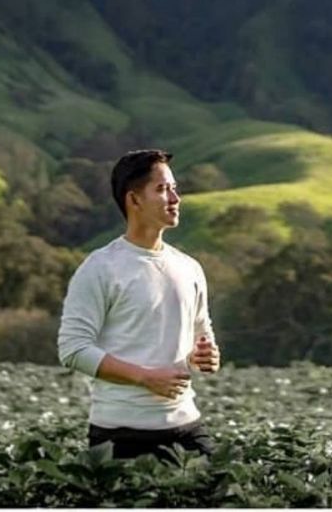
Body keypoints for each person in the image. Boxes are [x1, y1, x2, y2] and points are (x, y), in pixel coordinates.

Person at [57, 149, 221, 462]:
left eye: (174, 188)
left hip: (186, 424)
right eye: (162, 190)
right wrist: (144, 377)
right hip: (120, 434)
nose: (175, 198)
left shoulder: (190, 267)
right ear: (134, 200)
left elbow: (203, 333)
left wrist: (207, 355)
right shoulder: (100, 268)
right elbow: (73, 349)